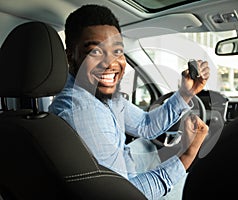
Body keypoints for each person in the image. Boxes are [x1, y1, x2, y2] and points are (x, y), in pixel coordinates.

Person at [48, 4, 210, 200]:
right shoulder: (82, 110)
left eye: (117, 51)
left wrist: (186, 93)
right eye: (95, 52)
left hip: (123, 177)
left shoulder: (101, 94)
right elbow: (120, 195)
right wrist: (187, 154)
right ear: (70, 56)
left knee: (147, 147)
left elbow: (145, 125)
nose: (111, 63)